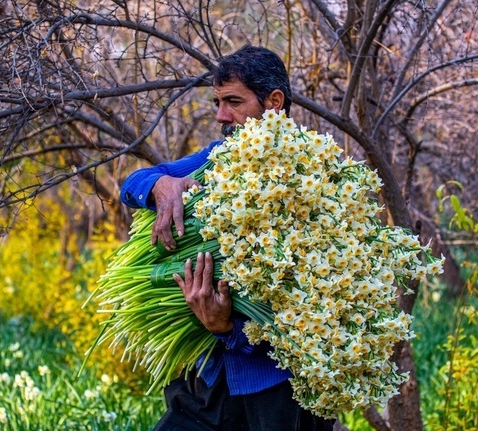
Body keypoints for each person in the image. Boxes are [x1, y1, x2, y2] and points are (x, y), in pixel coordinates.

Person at [120, 46, 334, 431]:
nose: (221, 116)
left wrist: (229, 329)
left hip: (277, 394)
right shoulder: (220, 157)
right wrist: (160, 185)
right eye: (217, 102)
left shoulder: (315, 185)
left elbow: (313, 316)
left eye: (233, 102)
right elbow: (133, 183)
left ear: (274, 102)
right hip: (208, 381)